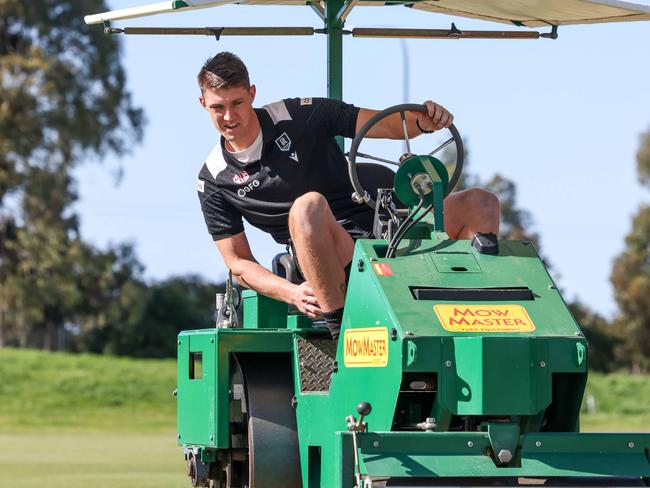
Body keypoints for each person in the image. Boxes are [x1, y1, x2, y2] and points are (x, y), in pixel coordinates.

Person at [197, 52, 499, 339]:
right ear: (203, 104)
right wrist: (291, 292)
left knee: (480, 202)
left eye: (236, 103)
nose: (229, 116)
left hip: (389, 232)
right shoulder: (214, 179)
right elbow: (238, 261)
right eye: (217, 108)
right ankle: (341, 334)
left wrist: (422, 121)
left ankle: (468, 321)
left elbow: (380, 122)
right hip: (330, 254)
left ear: (252, 94)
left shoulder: (300, 114)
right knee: (307, 206)